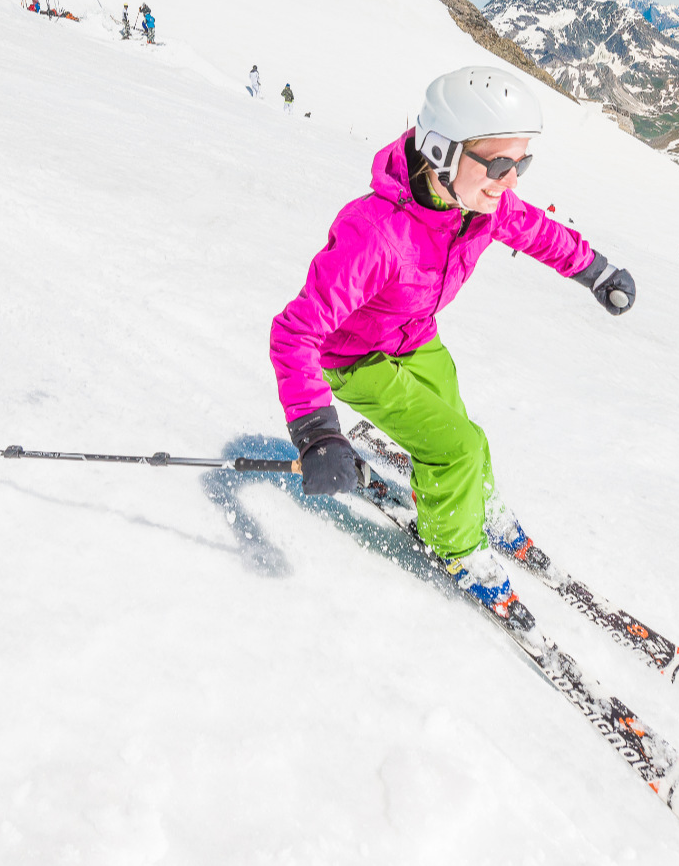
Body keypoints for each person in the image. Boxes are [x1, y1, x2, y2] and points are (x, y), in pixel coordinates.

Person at [270, 67, 637, 623]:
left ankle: (477, 501)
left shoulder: (481, 206)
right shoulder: (376, 233)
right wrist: (316, 430)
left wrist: (596, 271)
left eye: (522, 164)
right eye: (497, 164)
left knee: (464, 429)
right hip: (354, 360)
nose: (511, 180)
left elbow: (540, 232)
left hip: (415, 338)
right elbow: (296, 331)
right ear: (440, 153)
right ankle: (455, 546)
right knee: (455, 447)